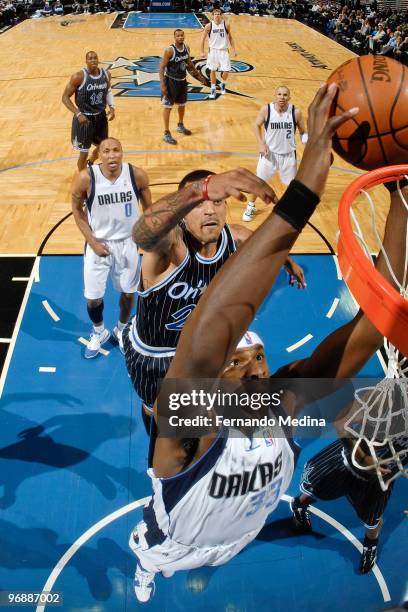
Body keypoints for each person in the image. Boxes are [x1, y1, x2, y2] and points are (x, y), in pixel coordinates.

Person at [128, 83, 407, 603]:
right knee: (151, 545)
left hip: (238, 532)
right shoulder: (189, 425)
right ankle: (148, 564)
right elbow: (204, 330)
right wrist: (304, 185)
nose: (257, 365)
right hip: (176, 532)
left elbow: (375, 318)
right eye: (244, 361)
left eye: (261, 356)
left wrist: (401, 199)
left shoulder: (275, 402)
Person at [124, 170, 305, 432]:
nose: (209, 211)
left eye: (217, 202)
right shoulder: (170, 247)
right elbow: (142, 234)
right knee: (156, 411)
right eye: (198, 204)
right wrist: (200, 189)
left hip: (199, 348)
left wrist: (287, 260)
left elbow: (258, 239)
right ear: (183, 213)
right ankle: (153, 453)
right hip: (156, 354)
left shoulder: (234, 236)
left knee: (200, 412)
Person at [71, 137, 152, 358]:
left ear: (122, 153)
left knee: (128, 293)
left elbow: (150, 212)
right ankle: (99, 332)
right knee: (93, 297)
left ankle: (121, 329)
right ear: (100, 155)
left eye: (116, 150)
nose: (111, 155)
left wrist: (148, 238)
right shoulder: (86, 178)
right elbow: (77, 212)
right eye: (106, 151)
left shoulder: (137, 175)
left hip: (128, 243)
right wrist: (94, 243)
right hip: (98, 244)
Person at [291, 433, 408, 574]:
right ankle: (298, 504)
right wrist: (362, 458)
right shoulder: (387, 412)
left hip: (379, 477)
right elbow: (341, 420)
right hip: (348, 459)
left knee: (372, 520)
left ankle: (370, 546)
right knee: (317, 490)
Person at [242, 85, 308, 222]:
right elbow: (256, 125)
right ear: (275, 95)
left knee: (291, 186)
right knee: (258, 182)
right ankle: (251, 206)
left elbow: (302, 131)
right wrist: (261, 143)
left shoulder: (296, 112)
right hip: (269, 155)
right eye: (279, 94)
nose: (282, 97)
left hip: (288, 155)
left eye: (285, 95)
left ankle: (289, 209)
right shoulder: (267, 110)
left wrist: (305, 141)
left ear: (289, 97)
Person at [62, 51, 115, 171]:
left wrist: (112, 107)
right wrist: (78, 113)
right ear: (86, 61)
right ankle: (82, 176)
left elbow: (108, 91)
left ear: (98, 60)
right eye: (90, 58)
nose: (93, 60)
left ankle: (91, 161)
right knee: (83, 152)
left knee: (103, 147)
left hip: (100, 116)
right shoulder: (78, 77)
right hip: (84, 118)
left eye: (95, 58)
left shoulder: (106, 74)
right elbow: (64, 97)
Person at [160, 29, 208, 146]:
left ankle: (180, 125)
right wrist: (162, 85)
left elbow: (190, 65)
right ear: (174, 37)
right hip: (171, 81)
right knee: (168, 107)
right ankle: (166, 132)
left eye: (182, 35)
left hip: (182, 81)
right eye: (178, 36)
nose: (180, 37)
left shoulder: (186, 48)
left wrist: (200, 77)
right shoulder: (169, 51)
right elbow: (161, 68)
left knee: (182, 105)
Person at [200, 8, 237, 100]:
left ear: (221, 15)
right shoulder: (208, 26)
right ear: (212, 16)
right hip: (213, 51)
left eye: (219, 14)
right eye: (215, 14)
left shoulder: (226, 24)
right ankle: (213, 88)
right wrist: (202, 51)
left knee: (227, 70)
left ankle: (222, 83)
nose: (217, 15)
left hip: (224, 50)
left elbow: (231, 38)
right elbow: (202, 39)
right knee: (212, 70)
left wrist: (234, 49)